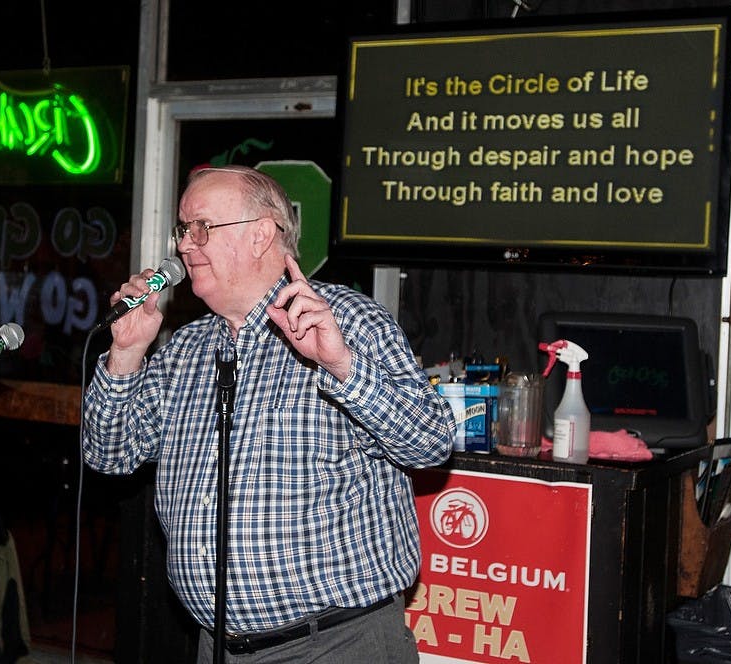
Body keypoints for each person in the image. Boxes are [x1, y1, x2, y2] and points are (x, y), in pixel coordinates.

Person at [82, 165, 457, 662]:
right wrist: (125, 354)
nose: (184, 246)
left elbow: (431, 443)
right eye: (182, 229)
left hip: (336, 645)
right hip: (217, 645)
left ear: (262, 234)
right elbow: (107, 454)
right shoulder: (186, 348)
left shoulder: (348, 320)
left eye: (201, 228)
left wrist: (341, 365)